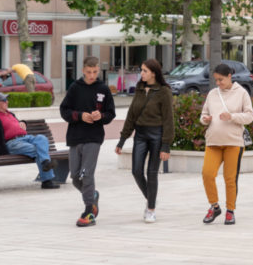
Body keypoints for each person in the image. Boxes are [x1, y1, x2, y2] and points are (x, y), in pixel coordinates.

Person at [115, 58, 174, 223]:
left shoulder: (164, 92)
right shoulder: (139, 90)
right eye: (141, 70)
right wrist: (122, 140)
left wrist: (166, 145)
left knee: (152, 173)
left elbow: (169, 120)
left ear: (153, 73)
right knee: (136, 171)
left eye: (144, 71)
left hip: (157, 135)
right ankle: (151, 198)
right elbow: (131, 116)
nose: (141, 73)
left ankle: (151, 209)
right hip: (140, 135)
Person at [60, 56, 116, 227]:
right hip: (75, 138)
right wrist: (80, 116)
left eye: (95, 72)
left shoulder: (103, 89)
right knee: (76, 176)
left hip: (94, 138)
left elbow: (110, 113)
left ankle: (88, 211)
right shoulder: (75, 88)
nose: (92, 75)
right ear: (83, 70)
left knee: (87, 174)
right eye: (89, 72)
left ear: (98, 70)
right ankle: (93, 196)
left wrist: (101, 116)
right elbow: (64, 110)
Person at [199, 62, 253, 225]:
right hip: (213, 142)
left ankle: (230, 211)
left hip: (234, 143)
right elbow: (203, 115)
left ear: (230, 77)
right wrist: (205, 119)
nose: (218, 83)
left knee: (230, 179)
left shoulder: (242, 93)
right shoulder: (212, 94)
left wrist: (232, 116)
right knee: (207, 174)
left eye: (221, 79)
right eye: (216, 80)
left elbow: (250, 116)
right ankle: (214, 206)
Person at [0, 92, 59, 189]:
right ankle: (47, 180)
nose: (7, 102)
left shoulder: (10, 114)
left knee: (42, 138)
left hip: (26, 138)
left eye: (6, 100)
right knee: (39, 151)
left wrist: (23, 122)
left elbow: (16, 124)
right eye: (4, 100)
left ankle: (45, 162)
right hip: (13, 143)